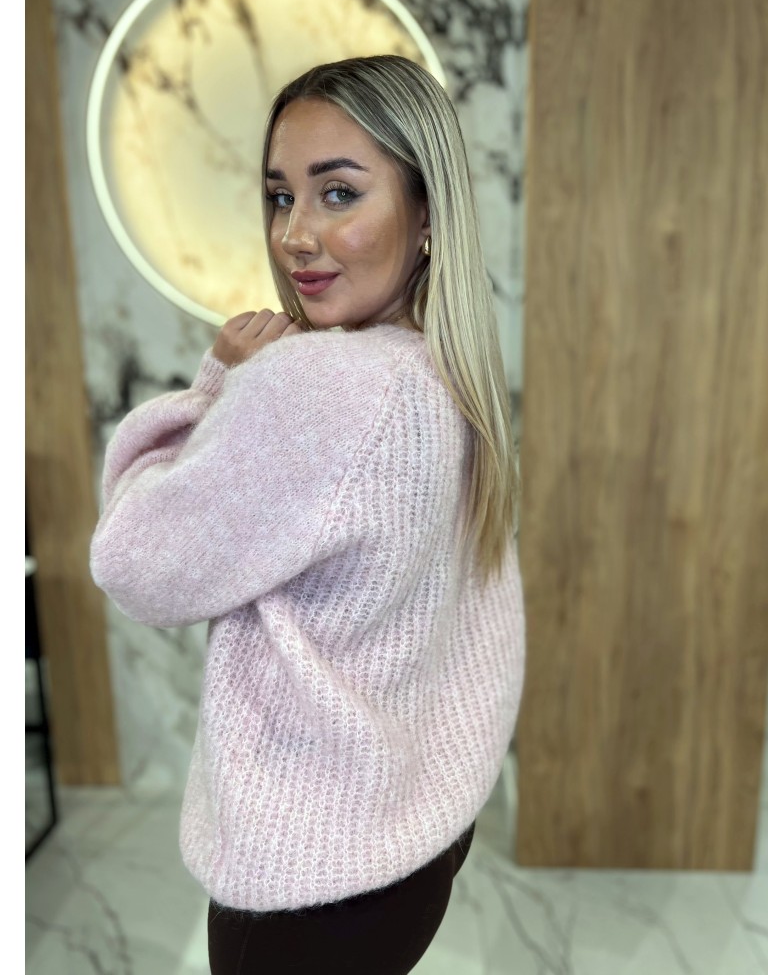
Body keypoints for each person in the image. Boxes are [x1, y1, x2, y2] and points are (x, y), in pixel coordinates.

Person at [90, 54, 525, 975]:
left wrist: (219, 385)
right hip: (412, 844)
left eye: (338, 193)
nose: (294, 235)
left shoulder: (321, 387)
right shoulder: (445, 375)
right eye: (280, 197)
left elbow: (132, 562)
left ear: (428, 215)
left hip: (308, 888)